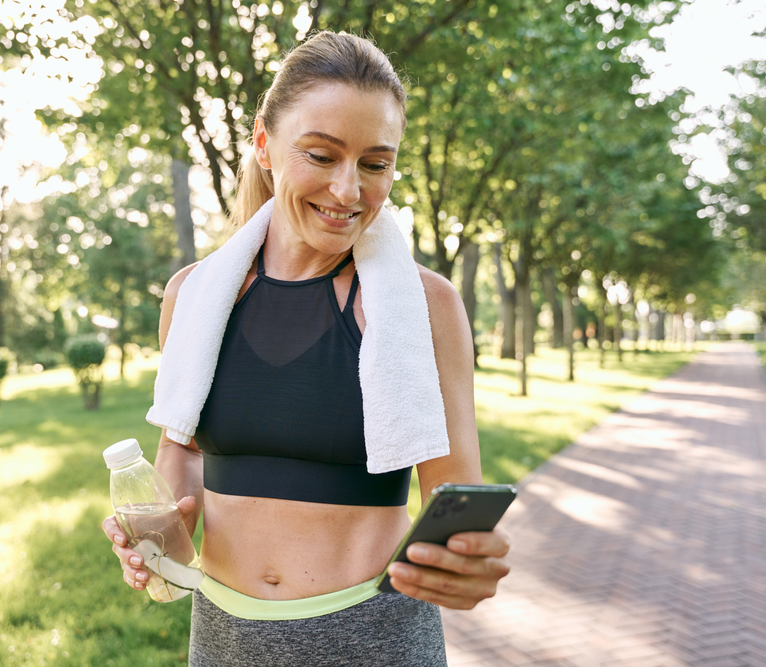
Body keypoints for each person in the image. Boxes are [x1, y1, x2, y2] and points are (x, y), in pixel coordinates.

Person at [102, 31, 510, 666]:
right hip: (223, 640)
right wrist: (153, 547)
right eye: (322, 156)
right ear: (264, 144)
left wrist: (465, 565)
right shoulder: (194, 295)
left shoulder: (426, 306)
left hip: (375, 639)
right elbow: (179, 468)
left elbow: (455, 515)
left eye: (375, 164)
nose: (348, 191)